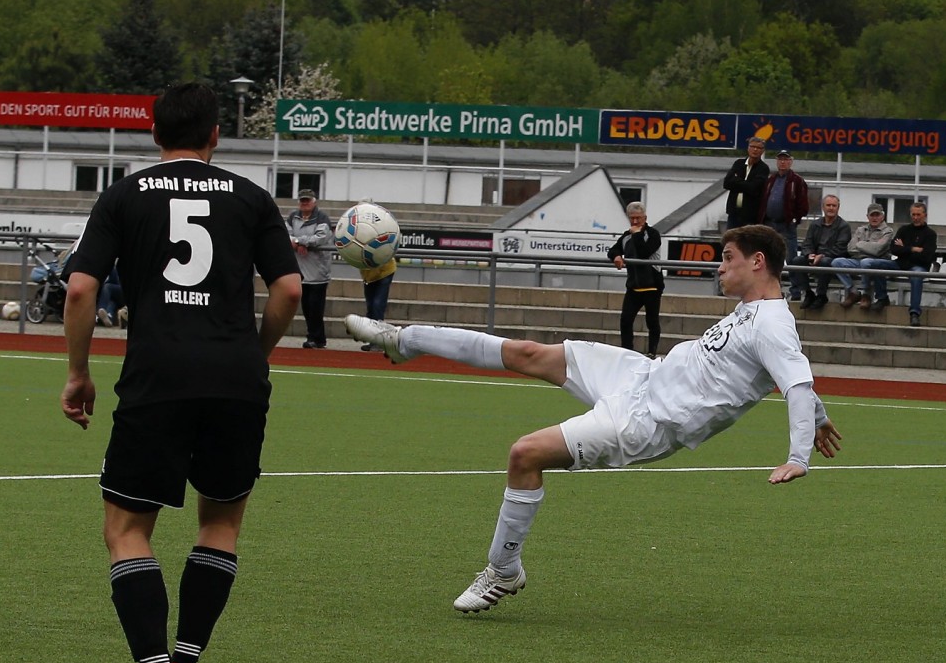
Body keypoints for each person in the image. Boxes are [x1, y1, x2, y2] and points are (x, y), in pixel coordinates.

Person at [344, 224, 842, 613]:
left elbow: (796, 381)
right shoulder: (752, 312)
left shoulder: (774, 322)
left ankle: (502, 570)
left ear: (758, 262)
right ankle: (402, 341)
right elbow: (793, 379)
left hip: (646, 422)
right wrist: (819, 418)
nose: (719, 268)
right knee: (527, 351)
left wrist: (800, 453)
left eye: (727, 259)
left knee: (524, 454)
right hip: (641, 376)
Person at [59, 81, 302, 663]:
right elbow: (289, 290)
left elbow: (81, 289)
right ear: (216, 135)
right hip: (236, 378)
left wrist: (78, 372)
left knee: (127, 529)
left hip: (157, 377)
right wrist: (256, 352)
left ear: (154, 133)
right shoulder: (252, 197)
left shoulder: (124, 194)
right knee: (219, 523)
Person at [607, 201, 664, 356]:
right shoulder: (626, 236)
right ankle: (627, 351)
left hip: (652, 285)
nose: (635, 221)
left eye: (638, 218)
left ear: (645, 217)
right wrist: (617, 255)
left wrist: (637, 234)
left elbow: (644, 252)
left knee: (652, 321)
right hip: (634, 286)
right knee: (625, 320)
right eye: (632, 218)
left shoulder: (653, 234)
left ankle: (652, 352)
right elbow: (613, 249)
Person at [788, 194, 852, 309]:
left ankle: (821, 295)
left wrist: (822, 256)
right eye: (828, 205)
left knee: (825, 262)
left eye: (834, 205)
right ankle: (808, 293)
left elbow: (840, 248)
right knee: (796, 261)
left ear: (838, 208)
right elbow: (807, 243)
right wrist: (809, 255)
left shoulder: (844, 226)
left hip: (833, 259)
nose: (831, 208)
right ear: (823, 207)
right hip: (815, 257)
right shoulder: (815, 224)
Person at [287, 188, 333, 348]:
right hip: (301, 270)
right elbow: (286, 233)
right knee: (306, 306)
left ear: (314, 202)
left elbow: (321, 238)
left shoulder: (322, 218)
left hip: (318, 271)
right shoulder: (293, 217)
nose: (305, 203)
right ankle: (313, 336)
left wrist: (301, 242)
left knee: (316, 307)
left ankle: (317, 337)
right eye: (302, 201)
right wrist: (297, 242)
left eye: (307, 200)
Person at [885, 201, 938, 326]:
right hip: (900, 264)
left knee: (916, 276)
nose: (915, 217)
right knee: (873, 265)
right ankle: (882, 297)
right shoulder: (904, 230)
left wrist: (904, 249)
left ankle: (914, 312)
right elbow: (893, 249)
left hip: (918, 267)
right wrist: (913, 249)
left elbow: (926, 257)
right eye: (913, 214)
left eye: (918, 214)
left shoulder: (930, 234)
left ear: (925, 215)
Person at [833, 204, 895, 308]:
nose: (874, 218)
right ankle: (854, 292)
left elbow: (878, 250)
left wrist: (860, 244)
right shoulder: (860, 230)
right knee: (836, 262)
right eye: (872, 215)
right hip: (857, 260)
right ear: (867, 216)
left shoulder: (888, 231)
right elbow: (850, 248)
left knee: (866, 262)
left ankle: (866, 294)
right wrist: (868, 248)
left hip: (876, 262)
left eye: (877, 215)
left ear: (882, 216)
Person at [760, 150, 810, 270]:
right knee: (768, 256)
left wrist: (794, 219)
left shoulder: (797, 181)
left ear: (790, 162)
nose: (782, 162)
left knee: (791, 258)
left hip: (786, 225)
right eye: (780, 159)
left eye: (785, 160)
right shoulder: (771, 179)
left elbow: (803, 205)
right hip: (769, 223)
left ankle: (795, 288)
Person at [722, 136, 770, 232]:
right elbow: (727, 183)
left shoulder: (763, 168)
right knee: (730, 240)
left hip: (750, 215)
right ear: (748, 148)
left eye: (758, 148)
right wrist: (745, 184)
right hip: (733, 213)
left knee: (747, 243)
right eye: (752, 146)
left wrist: (736, 182)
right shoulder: (739, 163)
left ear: (762, 150)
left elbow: (753, 188)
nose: (755, 150)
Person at [357, 252, 397, 350]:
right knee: (370, 306)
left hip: (385, 271)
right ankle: (373, 341)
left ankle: (379, 342)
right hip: (368, 275)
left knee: (377, 305)